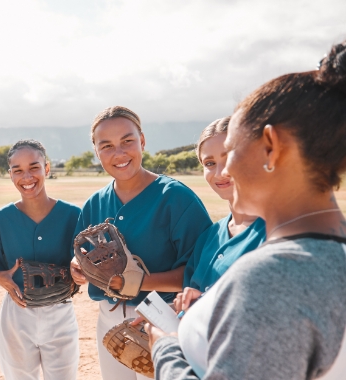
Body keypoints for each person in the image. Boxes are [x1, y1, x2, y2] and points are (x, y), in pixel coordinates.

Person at [148, 40, 346, 379]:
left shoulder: (274, 276)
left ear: (271, 147)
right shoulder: (329, 255)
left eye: (231, 151)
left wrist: (165, 347)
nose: (225, 171)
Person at [69, 106, 212, 379]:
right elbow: (81, 258)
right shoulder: (94, 204)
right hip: (108, 315)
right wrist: (77, 267)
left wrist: (136, 283)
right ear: (96, 152)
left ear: (142, 141)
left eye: (127, 141)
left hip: (162, 315)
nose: (119, 153)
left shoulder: (176, 198)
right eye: (107, 145)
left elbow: (197, 275)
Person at [0, 140, 81, 380]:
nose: (27, 176)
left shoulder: (73, 215)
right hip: (17, 312)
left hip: (61, 310)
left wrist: (80, 271)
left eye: (34, 167)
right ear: (10, 175)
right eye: (18, 170)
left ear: (47, 168)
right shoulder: (0, 220)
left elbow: (84, 261)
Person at [175, 117, 266, 312]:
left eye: (230, 159)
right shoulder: (209, 237)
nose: (219, 172)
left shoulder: (281, 232)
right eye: (209, 163)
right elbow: (194, 305)